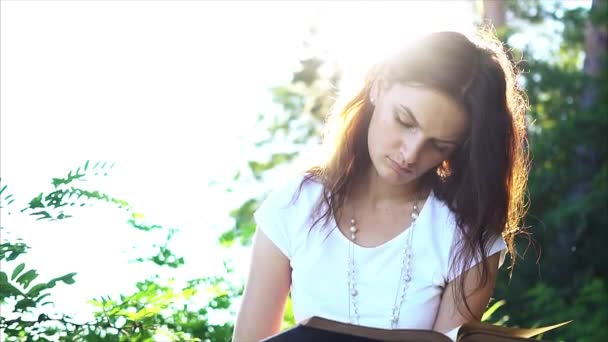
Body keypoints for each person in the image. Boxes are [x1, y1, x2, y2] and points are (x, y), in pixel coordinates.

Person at [232, 28, 529, 342]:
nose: (411, 154)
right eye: (404, 121)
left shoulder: (467, 233)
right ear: (379, 87)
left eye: (439, 145)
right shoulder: (297, 202)